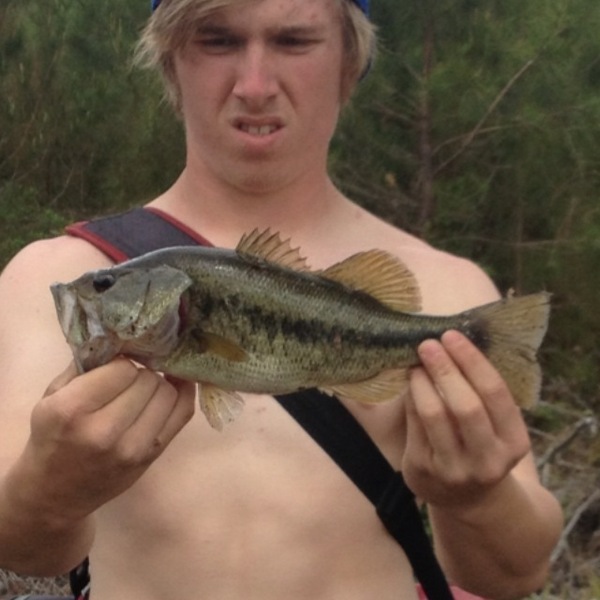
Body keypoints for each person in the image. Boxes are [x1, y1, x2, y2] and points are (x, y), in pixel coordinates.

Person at [0, 0, 563, 599]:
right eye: (218, 41)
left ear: (350, 61)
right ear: (169, 59)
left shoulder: (449, 290)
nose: (255, 85)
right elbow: (21, 548)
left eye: (294, 41)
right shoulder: (52, 274)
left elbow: (514, 575)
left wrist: (477, 497)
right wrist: (49, 492)